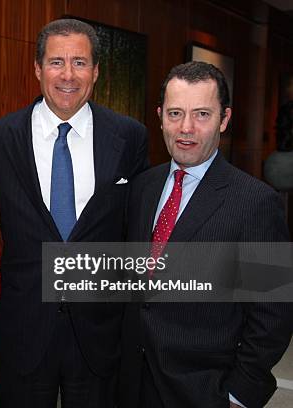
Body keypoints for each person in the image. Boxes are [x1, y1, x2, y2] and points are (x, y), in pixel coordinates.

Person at [0, 18, 148, 407]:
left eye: (80, 62)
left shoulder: (129, 137)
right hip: (23, 328)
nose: (68, 75)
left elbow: (136, 232)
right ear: (37, 69)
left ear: (96, 71)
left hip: (99, 332)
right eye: (56, 62)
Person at [119, 61, 293, 408]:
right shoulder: (142, 187)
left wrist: (237, 394)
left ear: (224, 119)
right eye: (175, 113)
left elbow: (273, 314)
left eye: (201, 114)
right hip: (130, 385)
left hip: (203, 393)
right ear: (159, 115)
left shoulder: (256, 202)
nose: (186, 128)